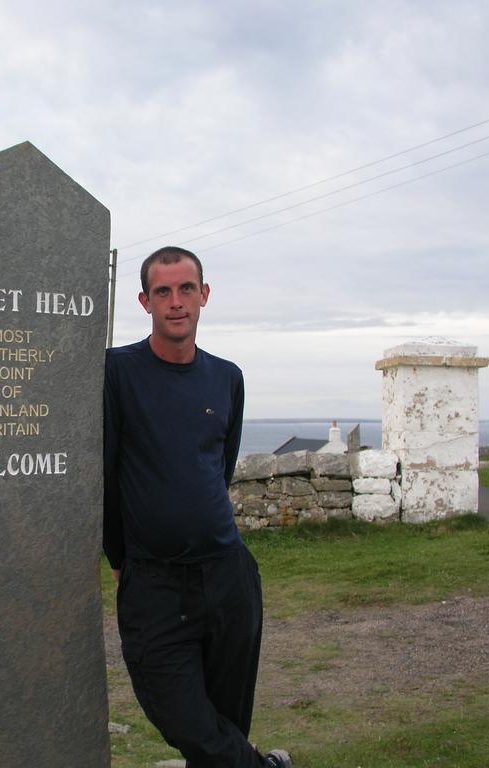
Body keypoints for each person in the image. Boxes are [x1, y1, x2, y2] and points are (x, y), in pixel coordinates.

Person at [103, 246, 291, 768]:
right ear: (145, 301)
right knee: (181, 716)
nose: (176, 302)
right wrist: (120, 556)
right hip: (154, 583)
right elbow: (106, 475)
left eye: (187, 288)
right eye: (162, 291)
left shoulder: (227, 378)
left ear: (204, 295)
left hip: (228, 575)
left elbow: (220, 467)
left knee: (226, 723)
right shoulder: (117, 373)